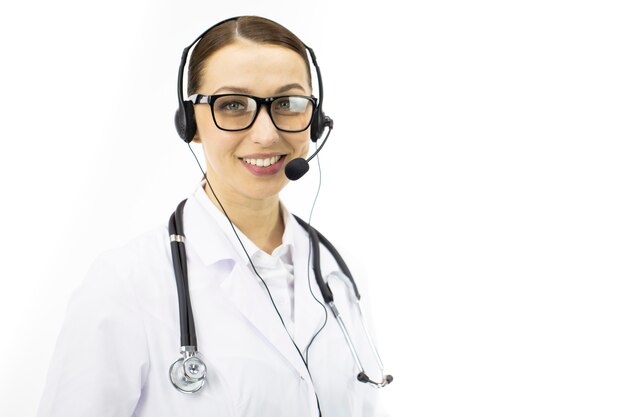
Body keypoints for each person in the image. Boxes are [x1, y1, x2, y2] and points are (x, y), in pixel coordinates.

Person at [37, 15, 390, 417]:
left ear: (317, 118)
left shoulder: (341, 277)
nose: (265, 134)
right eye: (234, 105)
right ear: (191, 123)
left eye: (288, 104)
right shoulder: (126, 283)